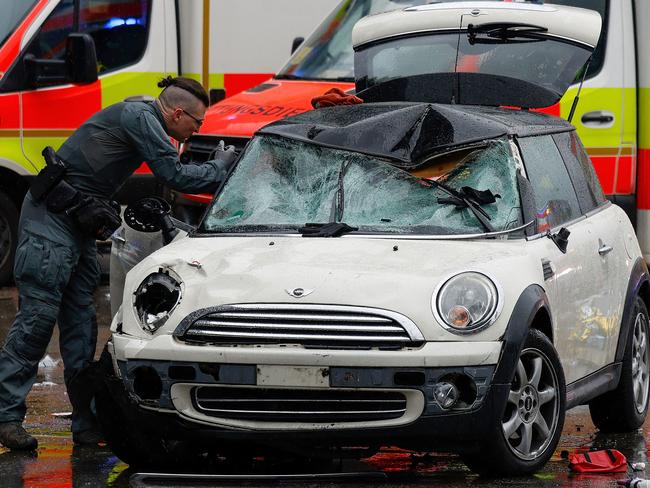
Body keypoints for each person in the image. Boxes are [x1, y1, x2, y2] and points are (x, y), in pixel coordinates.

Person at [0, 76, 236, 450]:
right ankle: (6, 417)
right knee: (38, 321)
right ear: (177, 113)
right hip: (50, 223)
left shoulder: (143, 117)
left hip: (73, 224)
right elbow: (173, 175)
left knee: (81, 331)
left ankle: (85, 424)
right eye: (197, 124)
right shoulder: (141, 118)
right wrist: (220, 167)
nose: (195, 131)